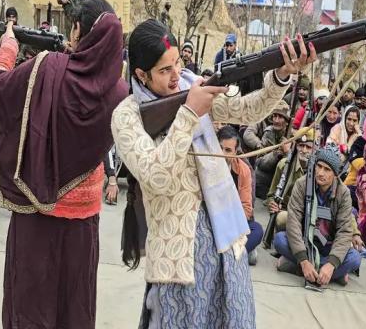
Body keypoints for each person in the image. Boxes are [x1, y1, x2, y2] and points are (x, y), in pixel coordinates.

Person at [112, 21, 314, 329]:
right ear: (140, 74)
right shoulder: (126, 116)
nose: (176, 75)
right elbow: (156, 177)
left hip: (226, 237)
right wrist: (189, 114)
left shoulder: (191, 84)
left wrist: (282, 75)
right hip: (177, 258)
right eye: (164, 70)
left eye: (177, 63)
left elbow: (247, 111)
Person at [0, 0, 128, 329]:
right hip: (84, 218)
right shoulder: (119, 92)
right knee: (75, 303)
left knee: (31, 303)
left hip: (37, 210)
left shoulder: (47, 67)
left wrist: (7, 46)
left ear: (78, 29)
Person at [274, 147, 364, 285]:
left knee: (355, 258)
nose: (321, 173)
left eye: (327, 169)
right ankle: (329, 274)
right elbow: (293, 223)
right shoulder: (302, 184)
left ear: (335, 174)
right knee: (280, 239)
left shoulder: (343, 193)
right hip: (306, 242)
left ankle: (303, 269)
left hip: (328, 246)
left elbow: (344, 231)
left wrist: (331, 264)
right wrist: (303, 260)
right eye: (319, 166)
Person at [218, 125, 263, 265]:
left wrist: (228, 223)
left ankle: (229, 255)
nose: (221, 154)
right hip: (210, 222)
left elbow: (246, 209)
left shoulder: (243, 170)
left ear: (235, 152)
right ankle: (238, 253)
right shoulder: (205, 165)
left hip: (233, 223)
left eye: (227, 150)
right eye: (219, 148)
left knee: (257, 230)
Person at [253, 104, 292, 198]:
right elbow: (260, 162)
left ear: (287, 122)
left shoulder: (293, 136)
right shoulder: (269, 133)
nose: (276, 120)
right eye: (275, 116)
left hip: (283, 185)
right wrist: (276, 154)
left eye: (280, 117)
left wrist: (287, 152)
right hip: (264, 183)